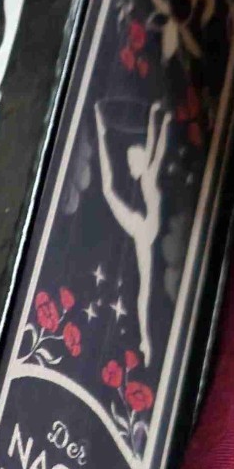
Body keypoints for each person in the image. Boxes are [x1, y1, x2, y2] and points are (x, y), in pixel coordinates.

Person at [95, 100, 171, 365]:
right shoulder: (148, 175)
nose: (129, 166)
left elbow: (156, 148)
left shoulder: (148, 174)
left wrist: (158, 119)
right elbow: (155, 147)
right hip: (142, 229)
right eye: (128, 161)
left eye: (131, 160)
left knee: (145, 290)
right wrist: (157, 120)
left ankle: (145, 341)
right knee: (144, 290)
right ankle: (145, 341)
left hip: (145, 229)